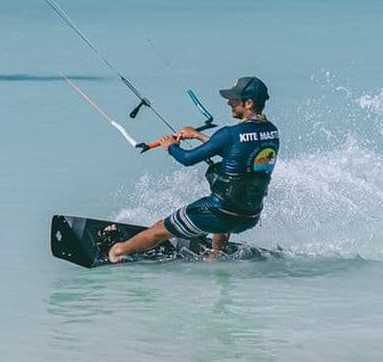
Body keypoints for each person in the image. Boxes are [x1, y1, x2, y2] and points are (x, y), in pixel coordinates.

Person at [108, 76, 279, 263]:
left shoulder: (230, 134)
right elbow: (238, 154)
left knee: (158, 231)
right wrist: (197, 135)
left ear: (248, 103)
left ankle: (118, 251)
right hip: (249, 216)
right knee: (233, 195)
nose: (229, 102)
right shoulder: (271, 132)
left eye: (234, 99)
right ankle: (215, 254)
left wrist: (171, 146)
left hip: (216, 214)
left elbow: (187, 159)